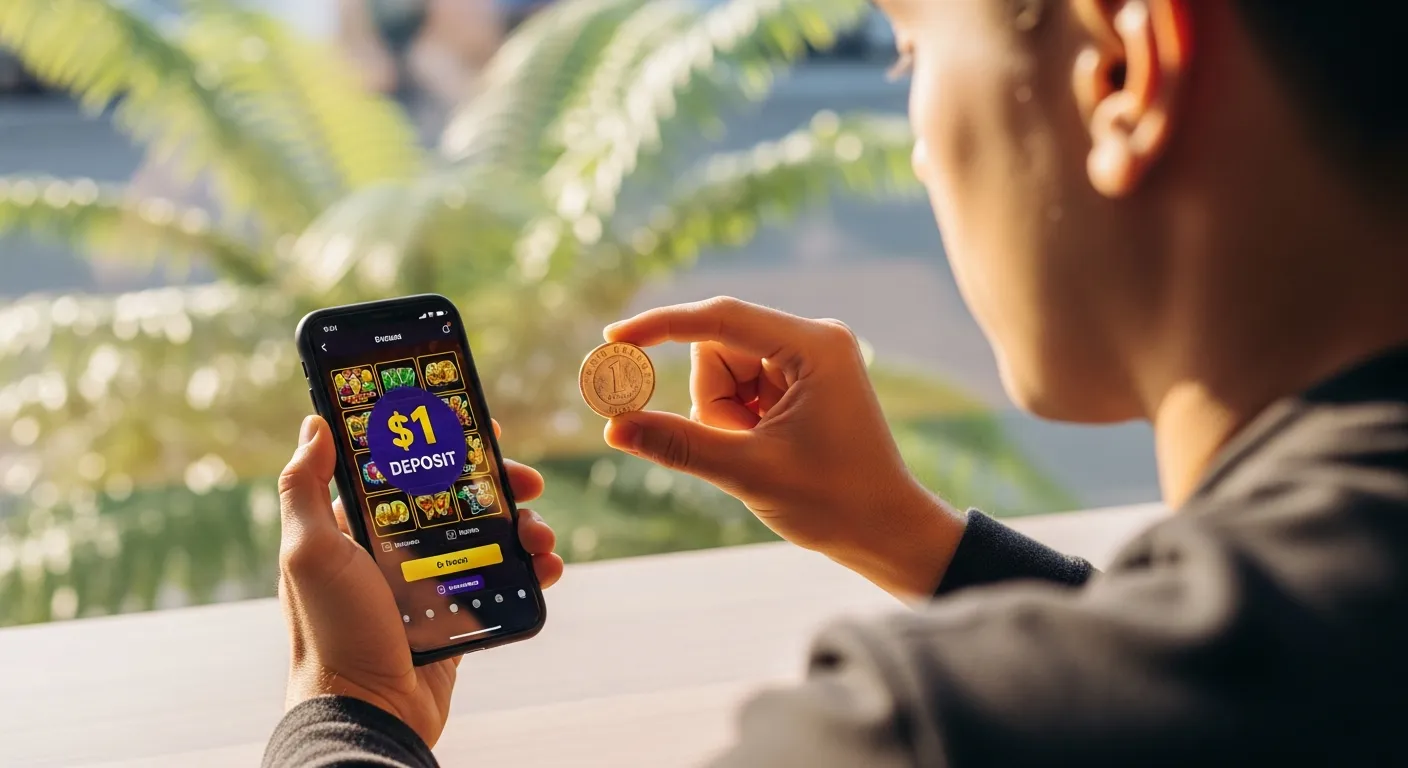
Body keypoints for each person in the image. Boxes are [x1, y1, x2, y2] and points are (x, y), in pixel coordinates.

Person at [264, 0, 1408, 765]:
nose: (916, 141)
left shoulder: (921, 733)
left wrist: (346, 708)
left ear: (1121, 70)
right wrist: (909, 536)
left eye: (913, 51)